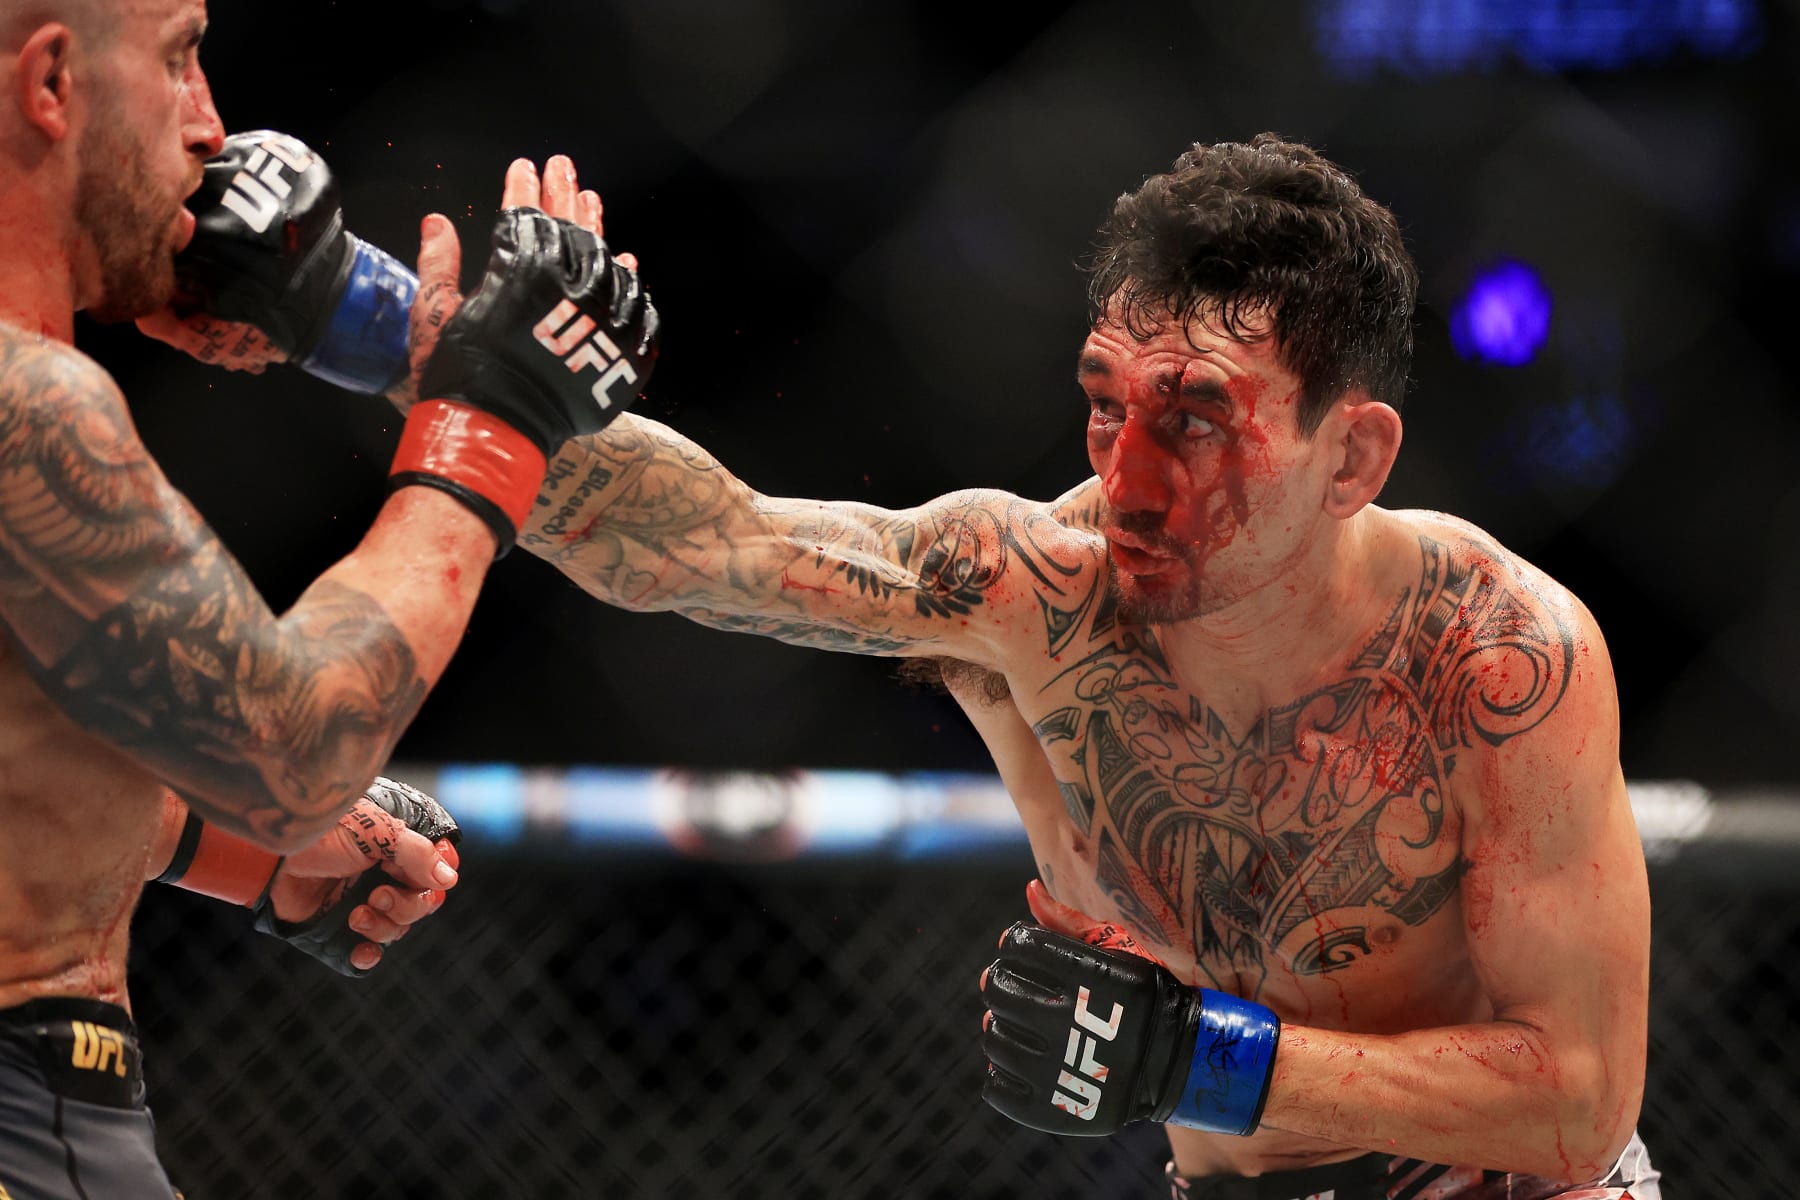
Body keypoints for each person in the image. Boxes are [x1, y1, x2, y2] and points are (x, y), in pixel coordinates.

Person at [165, 138, 1657, 1197]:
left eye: (1199, 421)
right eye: (1107, 405)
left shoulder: (1496, 658)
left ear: (1355, 456)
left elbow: (1579, 1105)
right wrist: (379, 334)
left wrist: (1197, 1059)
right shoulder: (1041, 596)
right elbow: (715, 546)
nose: (1130, 480)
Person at [0, 2, 655, 1194]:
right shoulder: (28, 407)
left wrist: (242, 851)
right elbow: (291, 751)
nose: (211, 124)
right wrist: (492, 418)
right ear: (52, 86)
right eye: (178, 58)